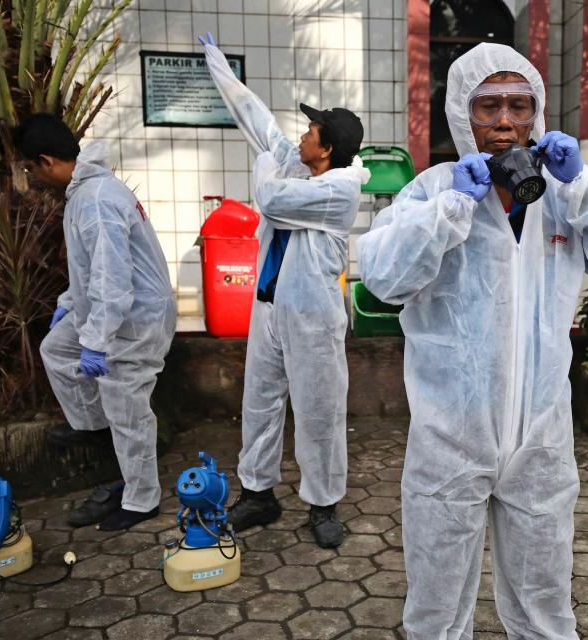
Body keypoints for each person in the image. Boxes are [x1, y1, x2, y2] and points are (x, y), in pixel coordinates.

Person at [357, 43, 588, 639]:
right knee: (437, 609)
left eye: (521, 105)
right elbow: (383, 279)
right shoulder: (433, 191)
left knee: (545, 603)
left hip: (540, 439)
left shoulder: (561, 195)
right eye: (488, 106)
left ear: (539, 114)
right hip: (450, 439)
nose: (506, 122)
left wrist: (584, 184)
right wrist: (450, 209)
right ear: (462, 116)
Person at [198, 34, 368, 548]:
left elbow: (270, 200)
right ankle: (258, 493)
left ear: (328, 147)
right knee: (260, 402)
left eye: (312, 129)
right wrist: (221, 69)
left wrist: (268, 167)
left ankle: (323, 504)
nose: (303, 133)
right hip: (270, 308)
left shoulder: (339, 190)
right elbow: (259, 123)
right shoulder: (300, 166)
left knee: (319, 411)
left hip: (313, 319)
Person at [12, 114, 176, 531]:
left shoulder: (97, 199)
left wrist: (97, 341)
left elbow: (112, 278)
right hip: (112, 308)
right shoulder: (85, 192)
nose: (32, 177)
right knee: (56, 348)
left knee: (128, 405)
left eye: (31, 168)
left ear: (46, 161)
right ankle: (94, 425)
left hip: (136, 318)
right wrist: (70, 304)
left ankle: (142, 500)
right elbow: (90, 270)